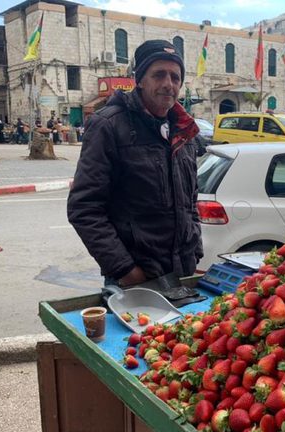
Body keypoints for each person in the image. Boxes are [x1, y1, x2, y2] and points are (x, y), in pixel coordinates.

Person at [67, 39, 202, 287]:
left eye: (175, 76)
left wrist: (194, 250)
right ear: (139, 79)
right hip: (135, 279)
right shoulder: (108, 125)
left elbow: (191, 201)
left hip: (182, 272)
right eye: (158, 75)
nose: (168, 84)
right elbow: (84, 207)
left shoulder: (184, 130)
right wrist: (125, 269)